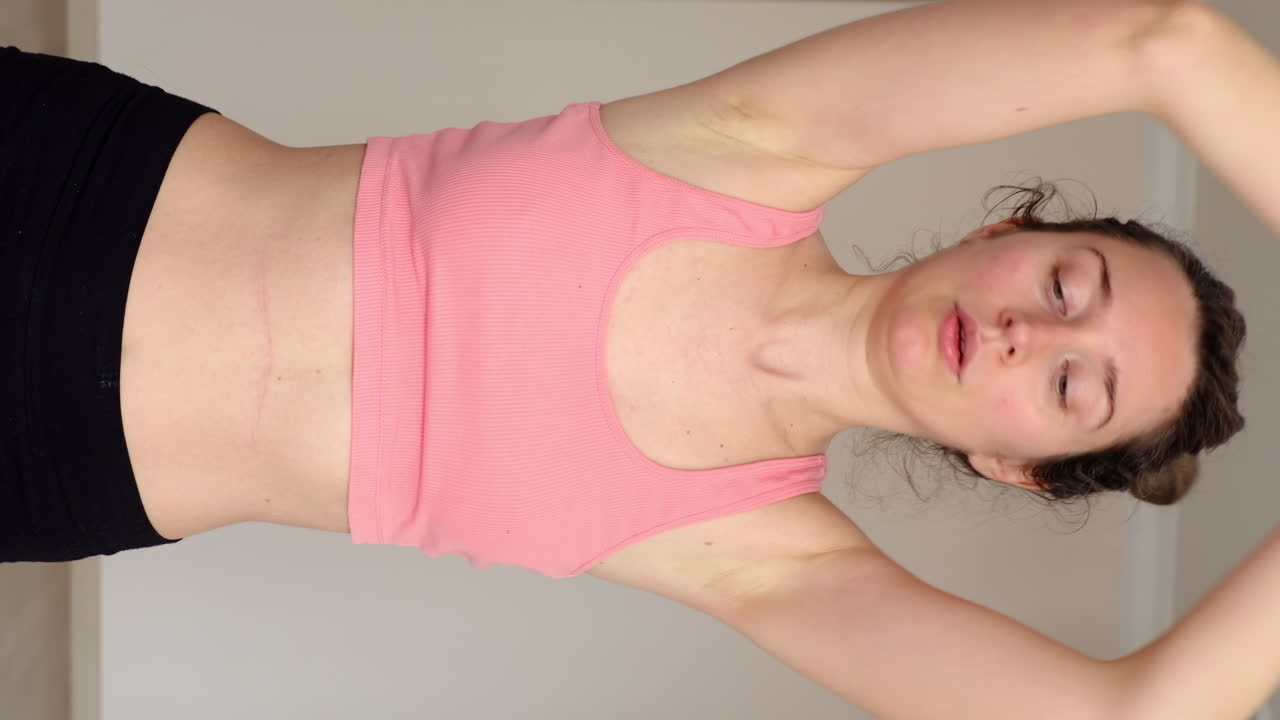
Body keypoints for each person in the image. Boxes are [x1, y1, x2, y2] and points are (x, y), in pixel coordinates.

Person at [3, 0, 1278, 717]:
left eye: (1069, 385)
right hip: (58, 182)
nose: (1027, 334)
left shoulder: (764, 560)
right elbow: (1163, 41)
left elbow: (1131, 716)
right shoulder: (753, 145)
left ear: (1016, 465)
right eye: (1064, 287)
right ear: (1007, 233)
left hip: (46, 463)